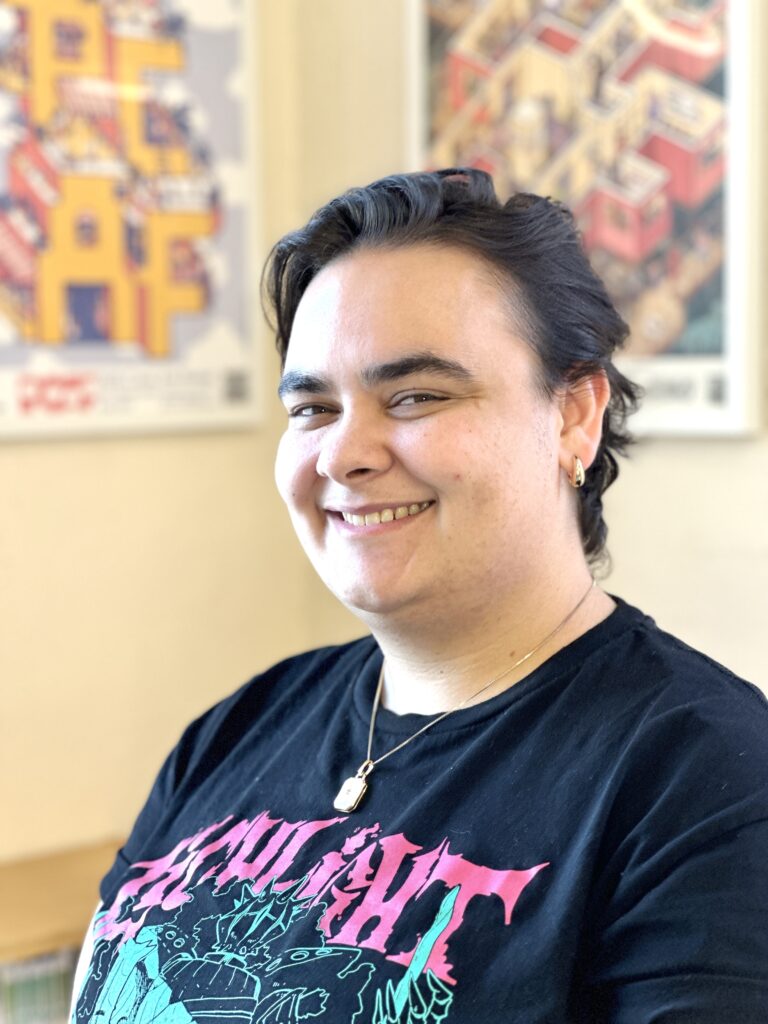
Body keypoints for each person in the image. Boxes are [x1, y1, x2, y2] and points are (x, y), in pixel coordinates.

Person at [70, 170, 768, 1023]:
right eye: (312, 408)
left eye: (415, 397)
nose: (343, 454)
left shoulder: (710, 779)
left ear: (574, 417)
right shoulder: (237, 730)